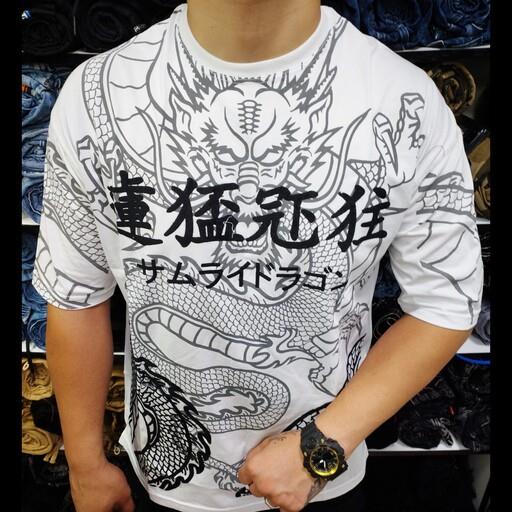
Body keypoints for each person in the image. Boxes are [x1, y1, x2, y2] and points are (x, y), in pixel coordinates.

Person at [31, 1, 484, 511]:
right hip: (162, 473)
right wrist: (85, 464)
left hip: (324, 479)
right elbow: (75, 293)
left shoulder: (406, 100)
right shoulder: (97, 93)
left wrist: (322, 444)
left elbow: (446, 301)